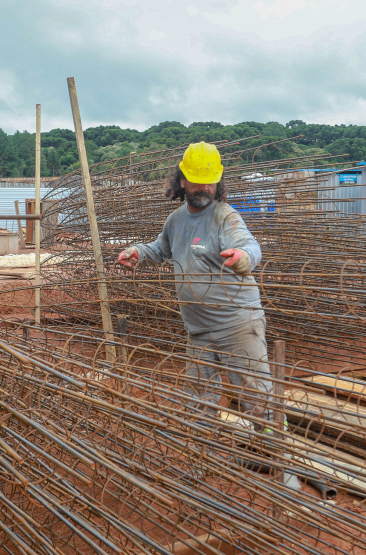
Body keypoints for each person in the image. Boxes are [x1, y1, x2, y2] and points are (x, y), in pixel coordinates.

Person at [117, 141, 274, 431]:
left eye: (209, 183)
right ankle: (205, 452)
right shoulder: (176, 220)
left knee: (258, 401)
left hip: (236, 324)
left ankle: (274, 450)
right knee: (198, 403)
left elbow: (250, 246)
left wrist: (243, 258)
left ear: (218, 183)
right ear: (182, 181)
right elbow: (161, 248)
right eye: (197, 182)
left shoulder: (224, 217)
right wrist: (138, 252)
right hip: (199, 330)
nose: (204, 188)